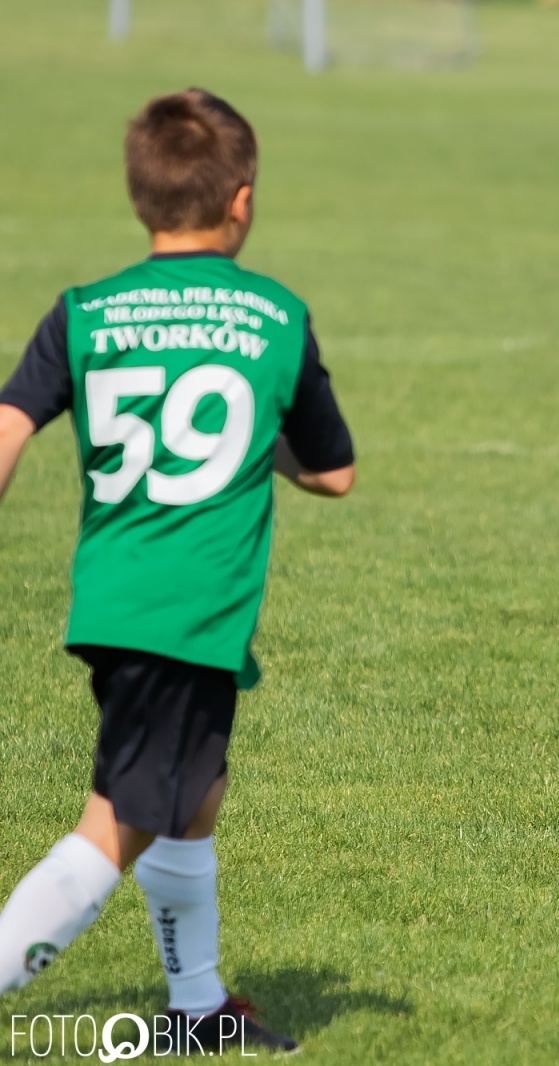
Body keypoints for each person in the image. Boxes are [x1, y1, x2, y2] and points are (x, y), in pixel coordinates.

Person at [0, 88, 356, 1055]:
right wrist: (260, 449)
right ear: (240, 200)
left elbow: (8, 426)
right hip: (188, 614)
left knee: (194, 797)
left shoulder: (83, 313)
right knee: (113, 829)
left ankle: (196, 1011)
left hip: (114, 601)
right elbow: (333, 471)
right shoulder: (275, 315)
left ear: (140, 197)